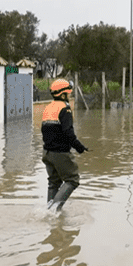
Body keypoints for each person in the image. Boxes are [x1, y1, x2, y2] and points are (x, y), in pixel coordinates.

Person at [41, 79, 88, 211]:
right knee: (72, 180)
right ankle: (54, 210)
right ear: (62, 95)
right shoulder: (64, 109)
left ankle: (49, 211)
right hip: (60, 153)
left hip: (46, 152)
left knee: (54, 182)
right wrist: (79, 147)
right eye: (68, 92)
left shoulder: (48, 108)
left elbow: (44, 131)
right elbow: (68, 133)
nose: (70, 94)